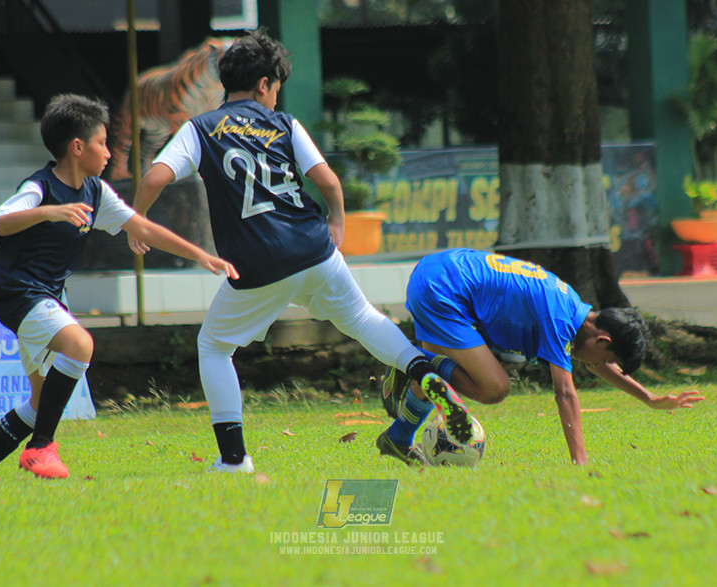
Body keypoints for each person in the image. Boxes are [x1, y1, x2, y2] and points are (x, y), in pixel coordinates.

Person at [129, 29, 476, 473]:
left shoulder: (199, 129)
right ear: (264, 85)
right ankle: (424, 371)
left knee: (214, 346)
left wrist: (136, 224)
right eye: (276, 88)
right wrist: (336, 224)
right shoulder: (285, 123)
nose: (275, 96)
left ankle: (234, 461)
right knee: (365, 319)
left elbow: (155, 177)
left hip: (258, 262)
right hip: (315, 250)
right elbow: (328, 181)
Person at [0, 94, 238, 482]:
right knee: (80, 345)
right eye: (102, 143)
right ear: (78, 147)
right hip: (16, 290)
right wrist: (49, 211)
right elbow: (3, 222)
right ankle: (40, 448)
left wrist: (202, 255)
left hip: (45, 294)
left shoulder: (95, 192)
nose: (108, 151)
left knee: (39, 403)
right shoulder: (40, 186)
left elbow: (143, 227)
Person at [379, 248, 704, 466]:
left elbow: (597, 361)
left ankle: (399, 436)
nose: (598, 368)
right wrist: (580, 461)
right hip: (445, 289)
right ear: (603, 340)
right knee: (495, 388)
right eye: (606, 360)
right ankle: (414, 361)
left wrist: (649, 398)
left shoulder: (571, 308)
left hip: (438, 272)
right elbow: (565, 392)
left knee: (440, 379)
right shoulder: (560, 321)